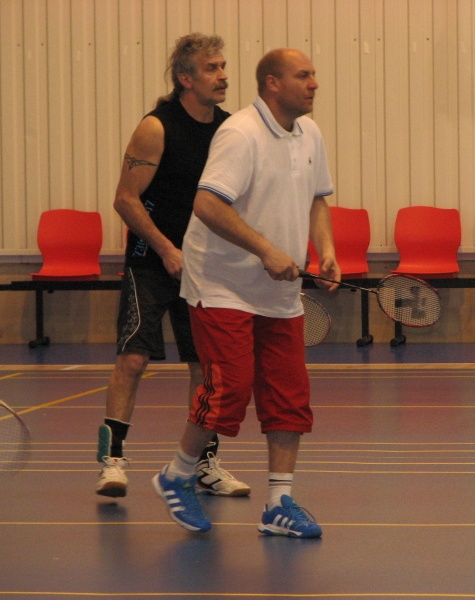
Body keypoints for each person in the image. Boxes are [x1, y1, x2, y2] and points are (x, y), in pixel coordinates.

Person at [152, 48, 339, 536]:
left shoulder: (310, 133)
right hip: (222, 284)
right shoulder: (241, 133)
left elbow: (317, 199)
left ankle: (278, 504)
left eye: (314, 74)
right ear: (272, 83)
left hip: (279, 291)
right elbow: (208, 205)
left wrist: (325, 250)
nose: (314, 83)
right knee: (229, 388)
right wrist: (266, 251)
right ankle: (177, 475)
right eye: (303, 75)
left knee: (289, 396)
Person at [96, 33, 250, 498]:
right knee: (133, 359)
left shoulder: (230, 130)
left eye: (223, 66)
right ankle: (112, 462)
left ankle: (204, 465)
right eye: (211, 68)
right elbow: (125, 199)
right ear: (185, 78)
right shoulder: (156, 128)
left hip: (204, 267)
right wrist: (166, 249)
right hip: (151, 261)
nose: (223, 76)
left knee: (205, 368)